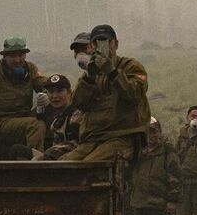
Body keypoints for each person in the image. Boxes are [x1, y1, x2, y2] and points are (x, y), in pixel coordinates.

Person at [64, 24, 150, 164]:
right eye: (97, 43)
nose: (102, 47)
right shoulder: (92, 72)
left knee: (89, 167)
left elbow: (134, 94)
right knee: (63, 167)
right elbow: (78, 103)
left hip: (123, 135)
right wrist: (89, 77)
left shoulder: (131, 66)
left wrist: (112, 72)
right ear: (91, 47)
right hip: (93, 138)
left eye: (106, 42)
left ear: (115, 44)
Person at [0, 36, 48, 157]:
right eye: (13, 56)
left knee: (51, 112)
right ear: (5, 56)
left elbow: (43, 83)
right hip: (0, 122)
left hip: (24, 116)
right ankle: (35, 163)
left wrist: (48, 93)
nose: (18, 59)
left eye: (21, 55)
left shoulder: (30, 69)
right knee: (36, 125)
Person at [125, 118, 177, 215]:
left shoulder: (167, 150)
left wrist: (172, 200)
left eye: (154, 131)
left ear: (160, 132)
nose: (152, 136)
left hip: (159, 202)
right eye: (148, 132)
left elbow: (174, 174)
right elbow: (128, 174)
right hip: (139, 201)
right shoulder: (137, 151)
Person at [37, 73, 81, 159]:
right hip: (53, 156)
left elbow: (79, 144)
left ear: (69, 93)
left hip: (70, 159)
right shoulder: (55, 115)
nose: (55, 96)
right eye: (51, 92)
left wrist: (42, 156)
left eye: (60, 91)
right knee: (18, 150)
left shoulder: (76, 115)